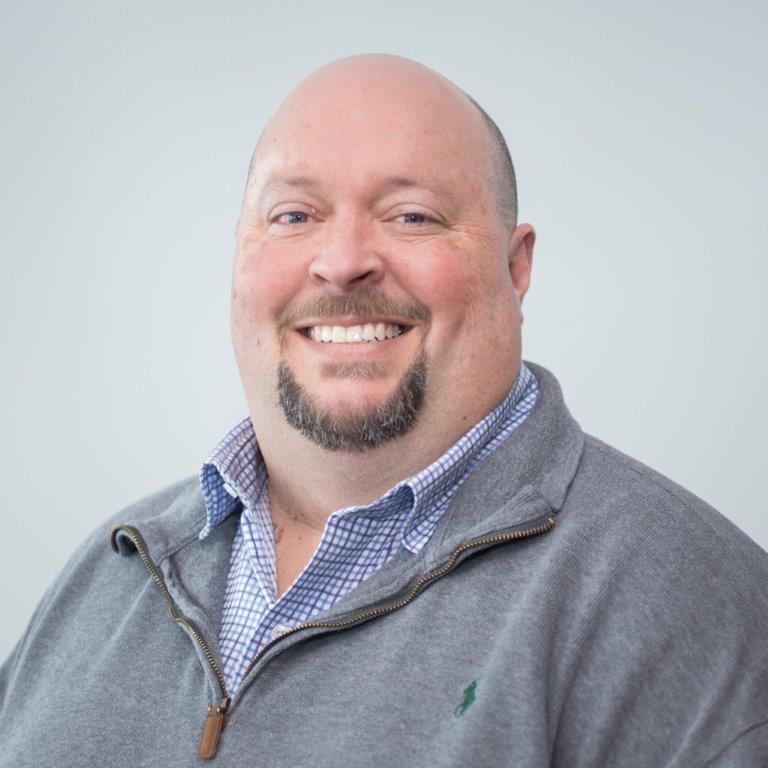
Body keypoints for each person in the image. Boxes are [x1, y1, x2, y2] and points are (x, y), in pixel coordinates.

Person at [1, 53, 766, 767]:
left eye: (411, 216)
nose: (341, 261)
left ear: (516, 264)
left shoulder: (694, 611)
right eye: (295, 216)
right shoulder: (108, 573)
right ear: (239, 254)